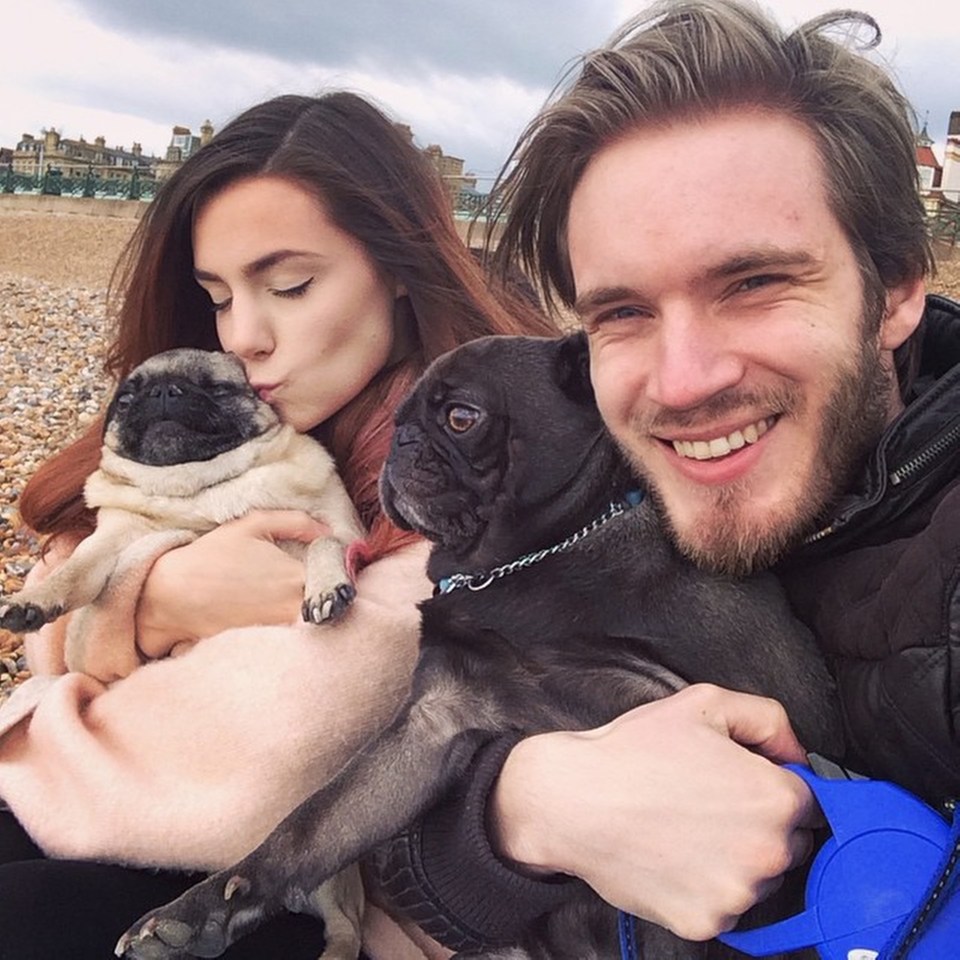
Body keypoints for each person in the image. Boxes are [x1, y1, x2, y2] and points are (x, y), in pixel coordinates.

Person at [367, 0, 960, 953]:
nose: (683, 383)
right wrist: (529, 811)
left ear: (894, 289)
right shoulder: (594, 499)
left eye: (754, 283)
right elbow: (407, 849)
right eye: (624, 313)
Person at [0, 90, 557, 959]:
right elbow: (56, 571)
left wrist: (58, 697)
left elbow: (260, 765)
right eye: (216, 295)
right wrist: (157, 602)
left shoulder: (483, 485)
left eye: (289, 285)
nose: (243, 336)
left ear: (400, 267)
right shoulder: (257, 409)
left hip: (310, 896)